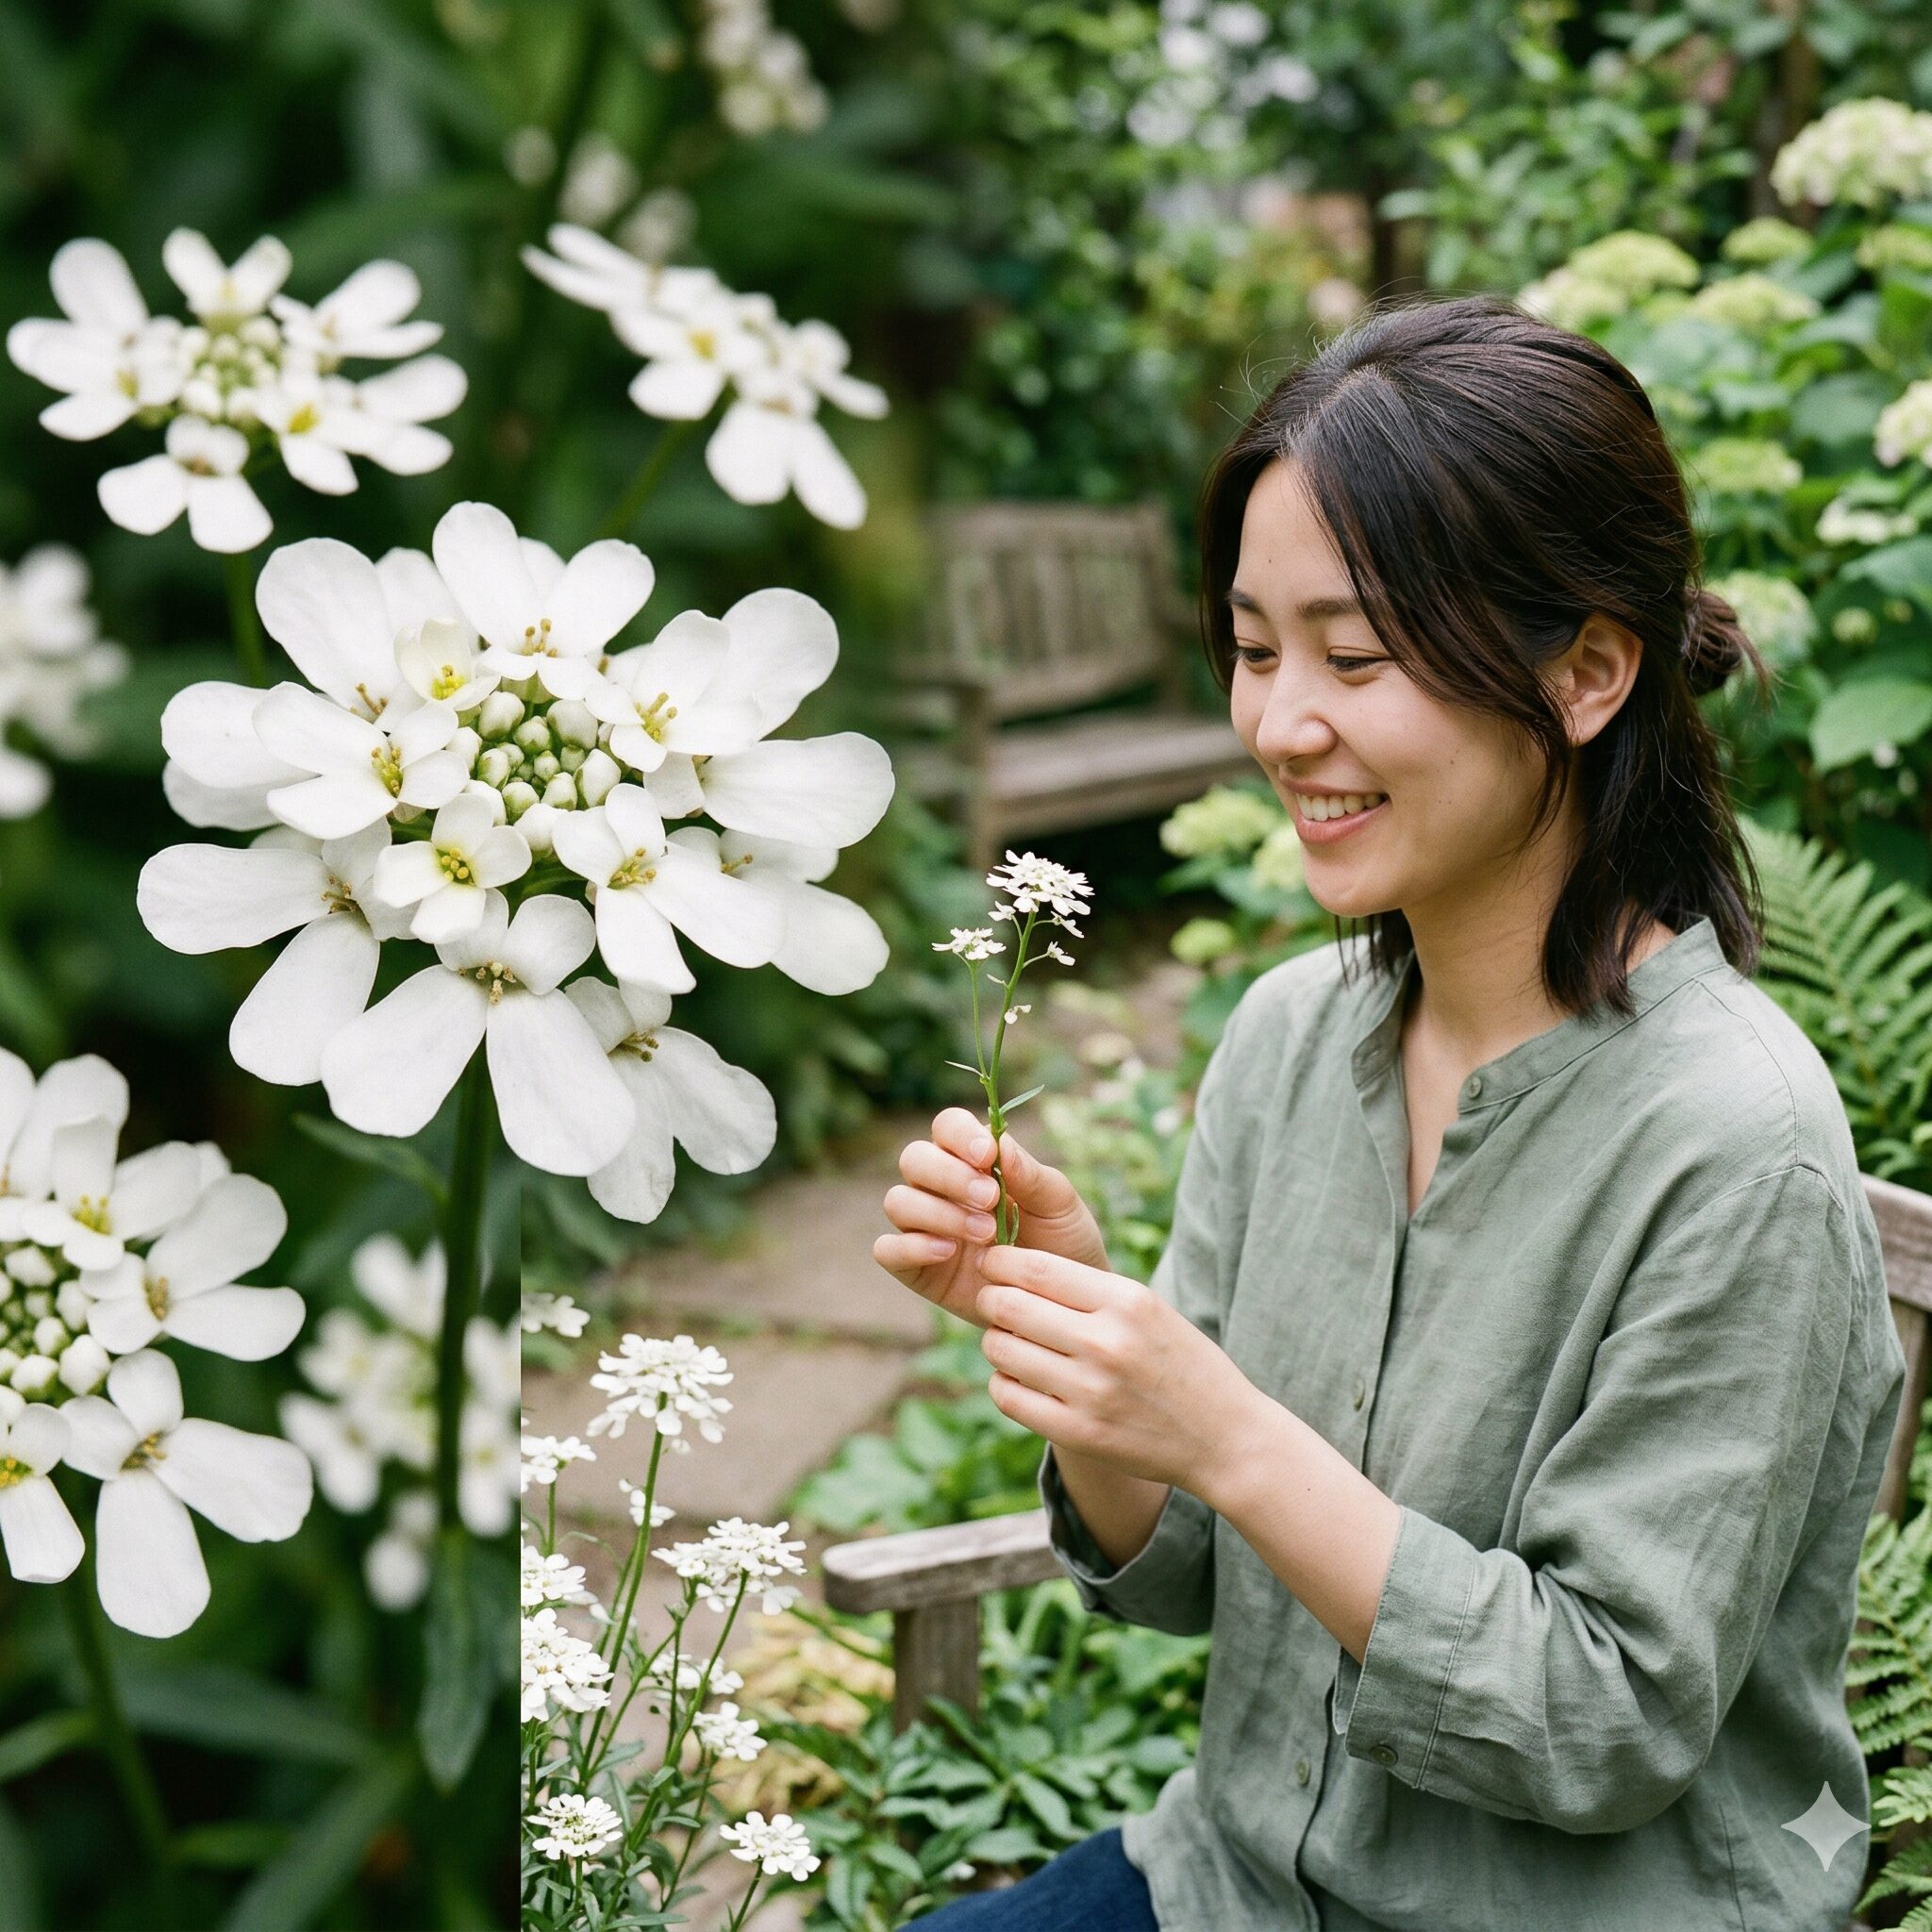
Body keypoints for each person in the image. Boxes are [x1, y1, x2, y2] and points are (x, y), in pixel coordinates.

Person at [874, 293, 1907, 1931]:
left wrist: (1224, 1424)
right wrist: (1082, 1344)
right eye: (1255, 645)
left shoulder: (1735, 1140)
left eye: (1355, 656)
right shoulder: (1293, 1038)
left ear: (1585, 674)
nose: (1281, 725)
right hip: (1227, 1884)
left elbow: (1606, 1720)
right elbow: (1193, 1572)